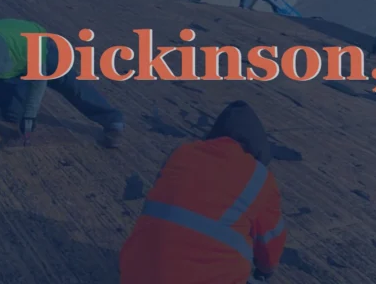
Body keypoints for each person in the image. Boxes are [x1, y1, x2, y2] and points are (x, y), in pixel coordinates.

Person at [119, 101, 287, 284]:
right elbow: (270, 246)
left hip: (134, 275)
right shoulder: (260, 177)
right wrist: (265, 271)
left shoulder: (182, 153)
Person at [0, 19, 125, 149]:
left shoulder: (29, 44)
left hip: (39, 49)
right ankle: (15, 91)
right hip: (8, 63)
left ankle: (112, 120)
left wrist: (30, 115)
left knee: (72, 86)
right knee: (12, 115)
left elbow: (39, 82)